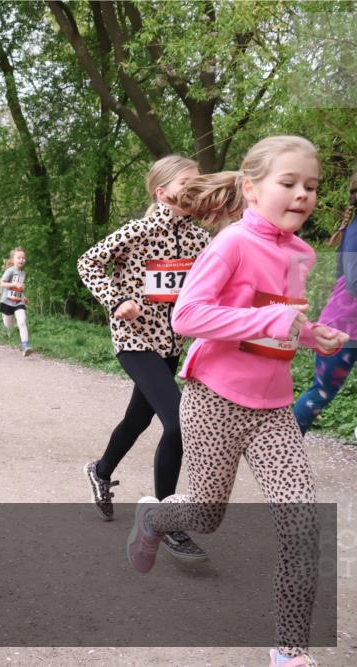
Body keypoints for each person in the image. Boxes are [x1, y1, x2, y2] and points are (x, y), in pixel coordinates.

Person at [125, 136, 348, 667]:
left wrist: (313, 335)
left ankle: (289, 652)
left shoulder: (302, 253)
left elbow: (281, 318)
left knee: (301, 526)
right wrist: (271, 320)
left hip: (273, 412)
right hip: (214, 401)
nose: (302, 195)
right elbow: (188, 317)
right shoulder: (230, 244)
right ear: (250, 189)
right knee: (204, 515)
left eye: (311, 187)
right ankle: (154, 518)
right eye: (288, 183)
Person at [77, 154, 212, 560]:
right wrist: (117, 300)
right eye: (186, 184)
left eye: (197, 183)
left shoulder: (199, 239)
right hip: (136, 339)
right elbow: (88, 262)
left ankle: (100, 470)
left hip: (172, 343)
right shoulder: (137, 231)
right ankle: (166, 521)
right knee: (178, 422)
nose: (194, 190)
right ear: (162, 192)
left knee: (138, 418)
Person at [293, 172, 357, 433]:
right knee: (320, 394)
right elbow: (354, 282)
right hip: (342, 328)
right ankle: (286, 445)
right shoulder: (355, 231)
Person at [0, 248, 32, 356]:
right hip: (7, 302)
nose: (21, 260)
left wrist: (24, 297)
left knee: (22, 322)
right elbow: (2, 284)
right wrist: (14, 285)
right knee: (9, 326)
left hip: (18, 302)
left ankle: (26, 346)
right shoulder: (10, 271)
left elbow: (18, 289)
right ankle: (5, 323)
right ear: (13, 260)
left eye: (23, 258)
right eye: (19, 258)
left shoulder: (23, 273)